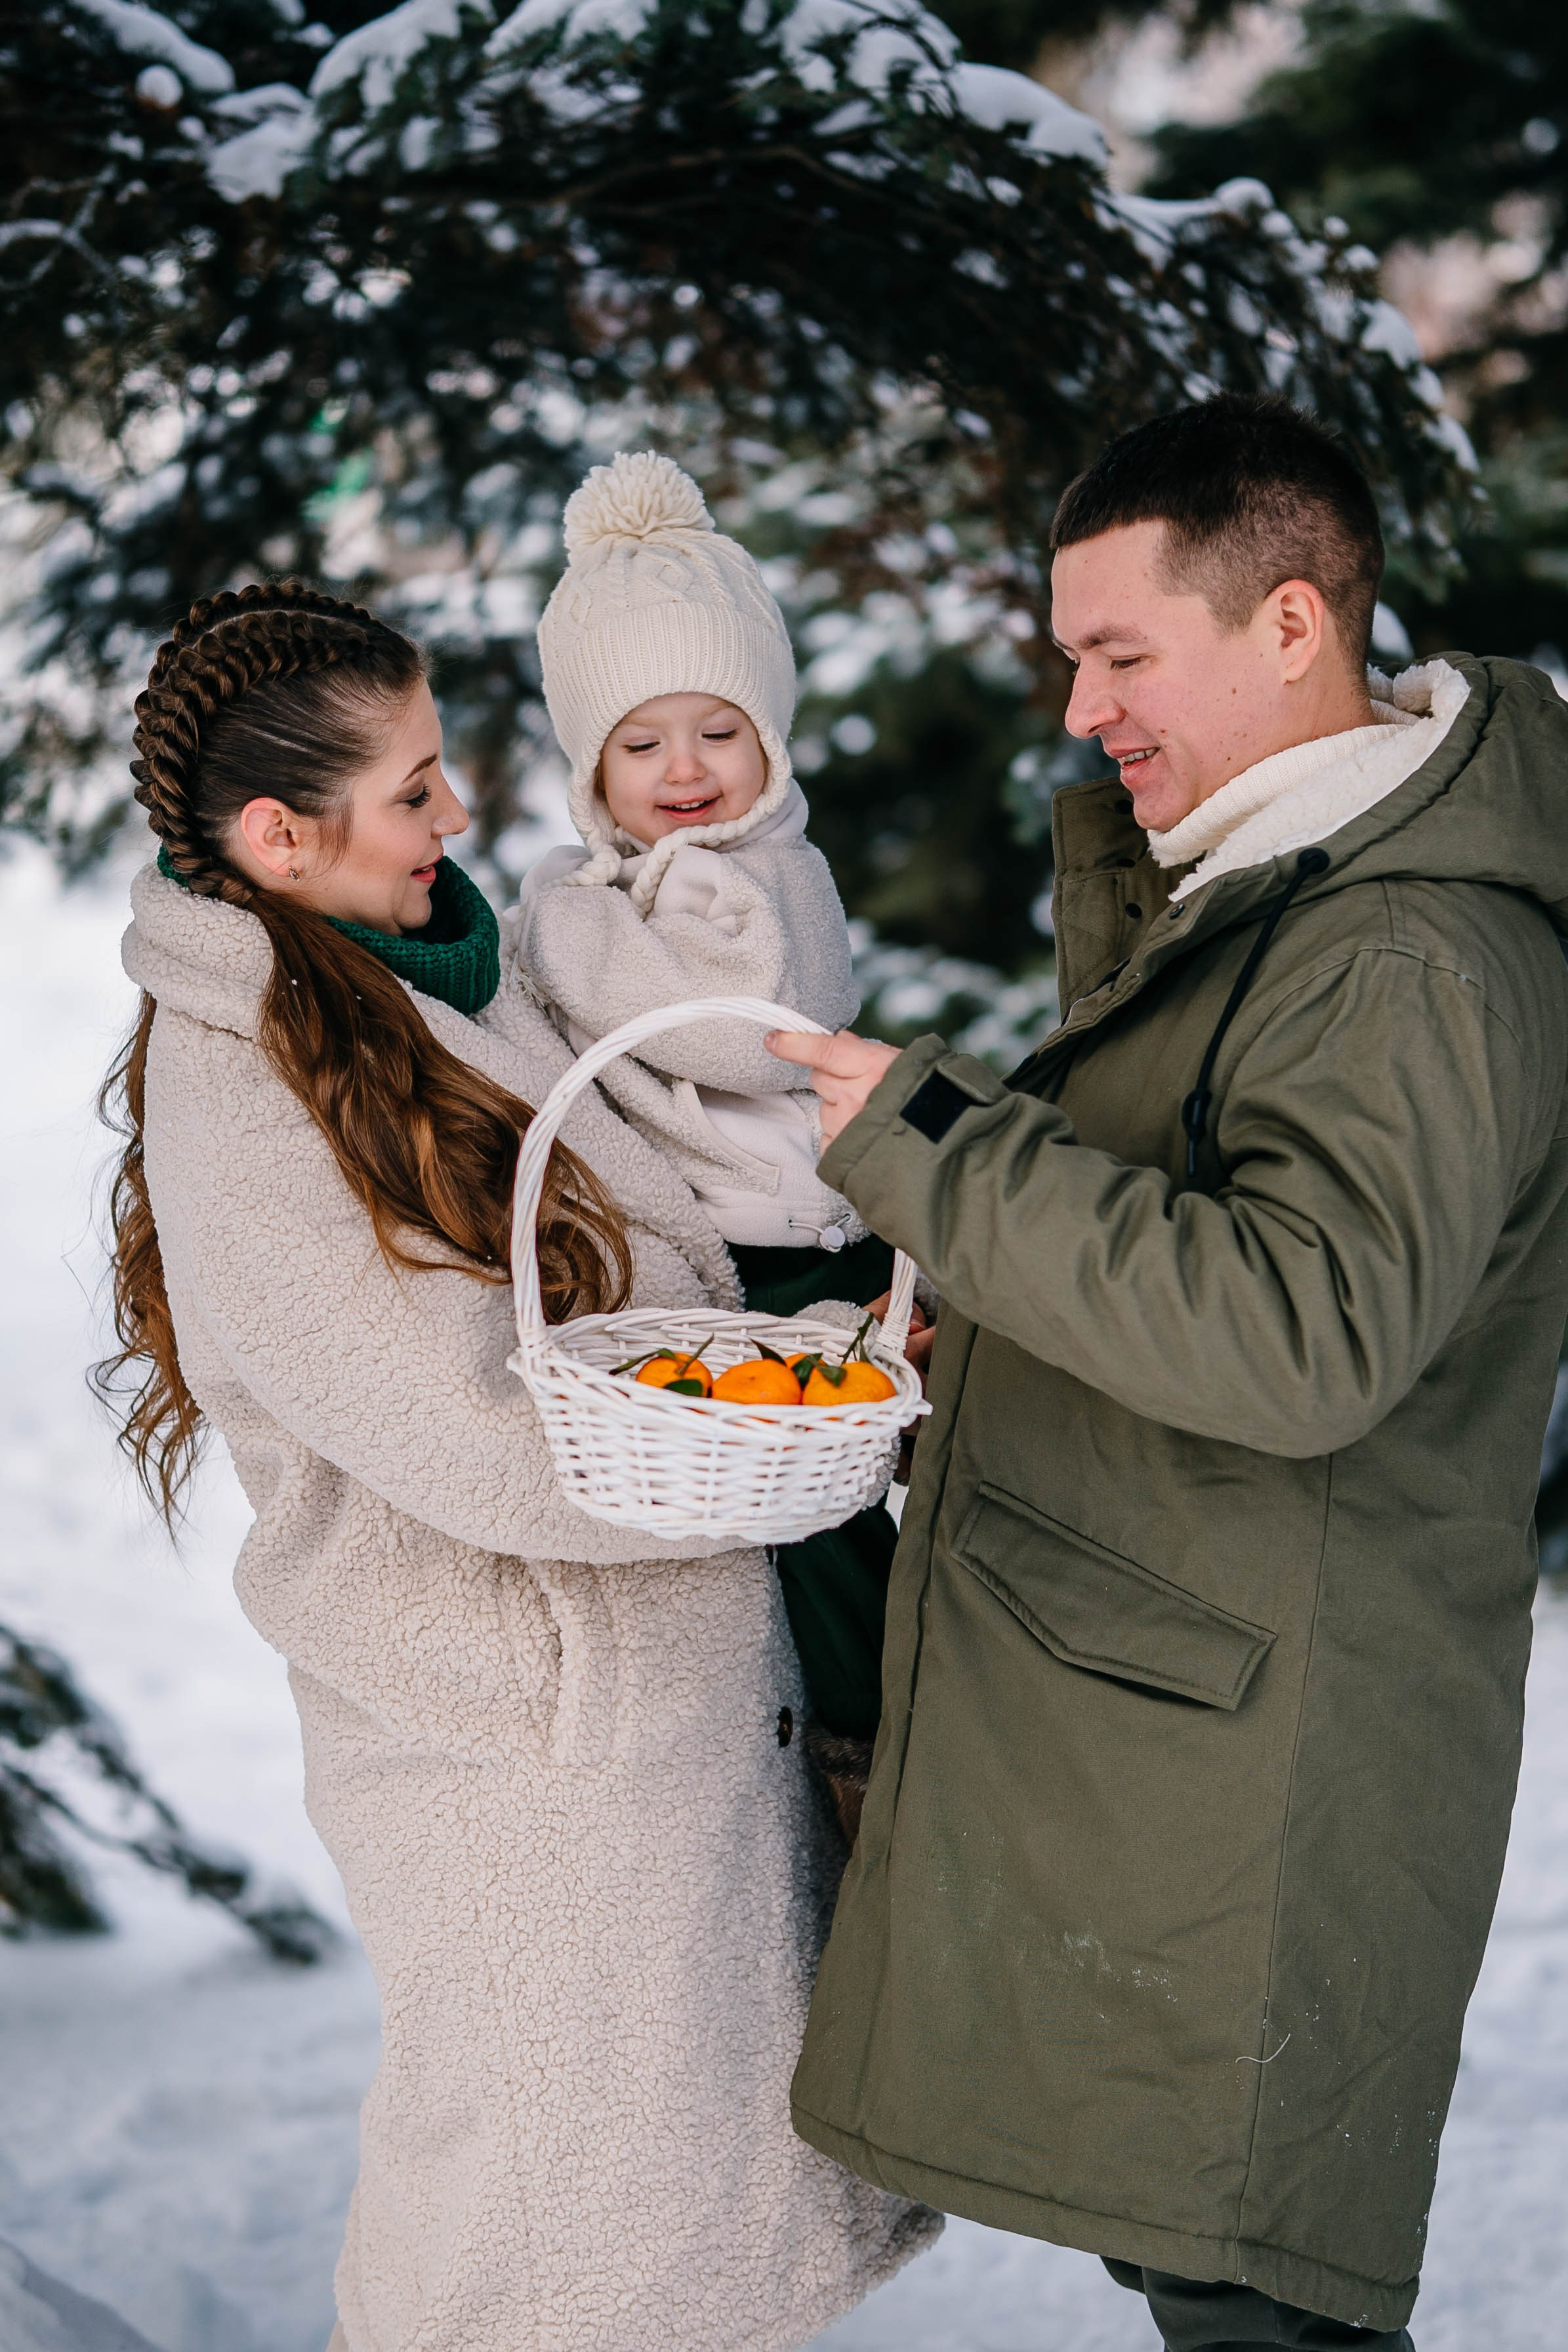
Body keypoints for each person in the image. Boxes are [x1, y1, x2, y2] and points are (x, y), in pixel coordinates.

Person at [768, 394, 1568, 2349]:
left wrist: (951, 1162)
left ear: (1288, 625)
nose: (1076, 707)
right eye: (1066, 656)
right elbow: (1203, 1244)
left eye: (1118, 653)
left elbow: (1304, 1339)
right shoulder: (1279, 881)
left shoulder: (1400, 953)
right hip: (1190, 1751)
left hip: (1262, 1783)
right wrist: (1003, 1288)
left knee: (1254, 2308)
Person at [97, 579, 934, 2352]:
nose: (458, 813)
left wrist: (825, 1340)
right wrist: (772, 1426)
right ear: (275, 834)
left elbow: (668, 1210)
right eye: (410, 788)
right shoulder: (243, 1075)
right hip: (513, 1747)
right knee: (522, 2257)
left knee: (666, 2245)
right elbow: (468, 1428)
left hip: (649, 1713)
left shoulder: (433, 964)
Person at [514, 450, 927, 1832]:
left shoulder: (773, 873)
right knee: (745, 1495)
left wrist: (565, 924)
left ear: (772, 744)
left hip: (792, 1241)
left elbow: (733, 1034)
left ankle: (875, 1731)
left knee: (798, 1504)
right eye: (639, 743)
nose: (683, 769)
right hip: (717, 1243)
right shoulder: (633, 878)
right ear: (592, 764)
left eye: (717, 731)